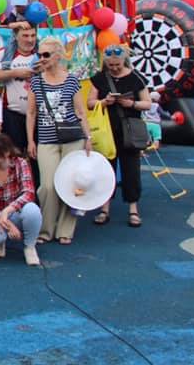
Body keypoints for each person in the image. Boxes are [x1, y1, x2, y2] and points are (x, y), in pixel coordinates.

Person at [26, 37, 92, 244]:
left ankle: (65, 230)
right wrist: (30, 140)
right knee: (47, 186)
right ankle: (45, 229)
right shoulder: (36, 81)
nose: (42, 58)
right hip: (46, 139)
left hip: (72, 138)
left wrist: (88, 137)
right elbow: (31, 113)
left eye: (46, 54)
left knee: (70, 183)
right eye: (39, 54)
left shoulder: (71, 80)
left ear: (57, 56)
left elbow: (80, 112)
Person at [88, 45, 151, 228]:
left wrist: (132, 104)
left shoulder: (136, 78)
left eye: (117, 65)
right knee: (105, 169)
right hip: (106, 130)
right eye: (111, 65)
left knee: (131, 169)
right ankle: (104, 208)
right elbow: (90, 103)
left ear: (124, 61)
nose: (114, 68)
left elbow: (147, 103)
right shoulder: (100, 78)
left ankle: (133, 208)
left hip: (129, 129)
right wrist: (104, 102)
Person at [0, 133, 42, 266]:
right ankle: (0, 241)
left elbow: (29, 193)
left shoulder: (21, 163)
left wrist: (8, 210)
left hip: (15, 211)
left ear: (7, 152)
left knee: (33, 210)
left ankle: (30, 247)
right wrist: (7, 222)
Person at [0, 24, 38, 166]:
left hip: (38, 116)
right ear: (16, 37)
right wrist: (14, 73)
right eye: (25, 36)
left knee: (36, 157)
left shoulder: (41, 53)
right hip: (12, 115)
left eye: (33, 36)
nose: (30, 40)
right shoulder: (5, 53)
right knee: (13, 156)